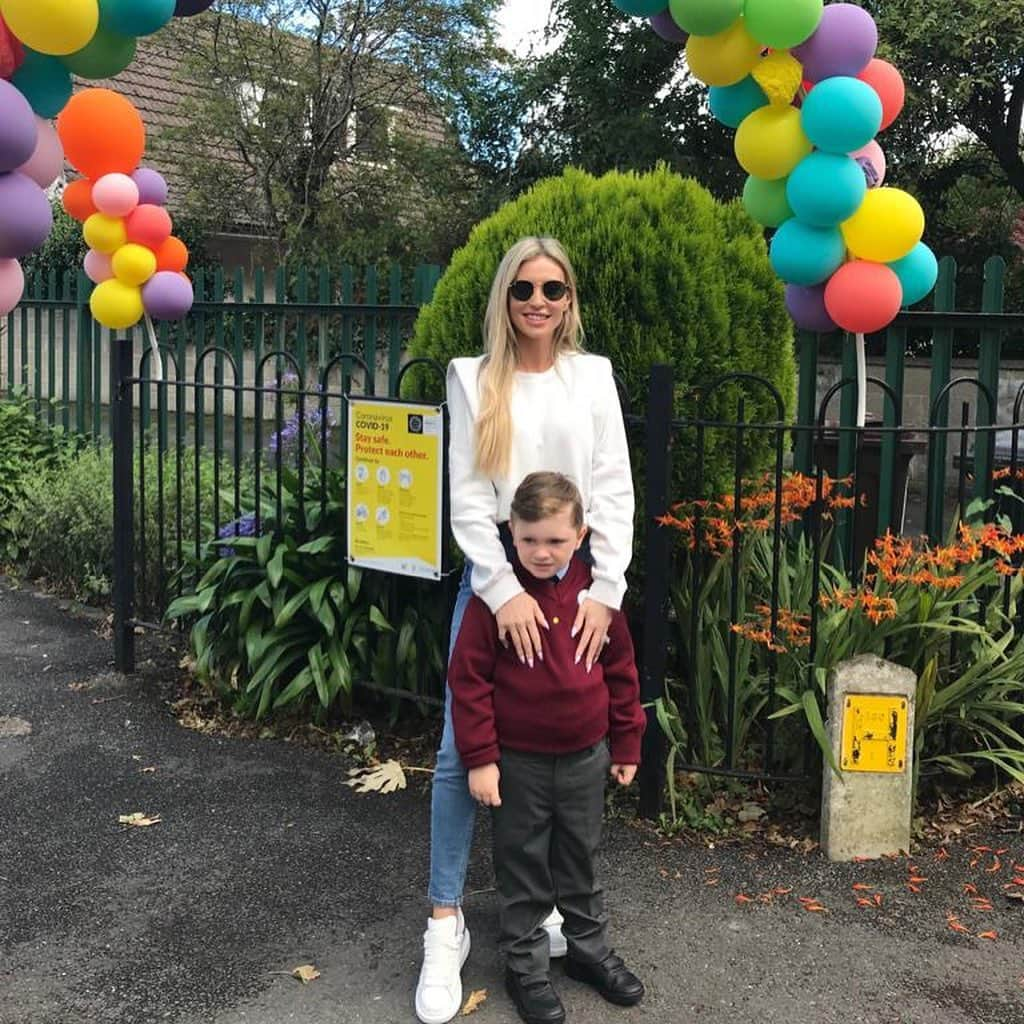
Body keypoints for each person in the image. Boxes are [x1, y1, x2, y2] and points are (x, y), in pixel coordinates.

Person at [414, 237, 635, 1024]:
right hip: (496, 584)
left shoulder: (594, 375)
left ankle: (548, 911)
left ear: (570, 298)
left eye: (554, 287)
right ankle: (446, 921)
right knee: (459, 750)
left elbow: (612, 487)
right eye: (524, 288)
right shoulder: (474, 378)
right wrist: (502, 589)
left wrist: (605, 590)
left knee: (561, 749)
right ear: (504, 297)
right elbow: (470, 496)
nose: (538, 301)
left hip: (578, 584)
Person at [450, 471, 646, 1024]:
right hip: (518, 764)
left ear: (580, 535)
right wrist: (481, 759)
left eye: (555, 541)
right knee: (524, 866)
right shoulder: (498, 599)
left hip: (588, 756)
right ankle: (526, 967)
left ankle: (589, 953)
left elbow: (623, 671)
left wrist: (626, 743)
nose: (541, 552)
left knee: (580, 859)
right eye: (530, 539)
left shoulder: (597, 595)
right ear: (510, 530)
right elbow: (469, 681)